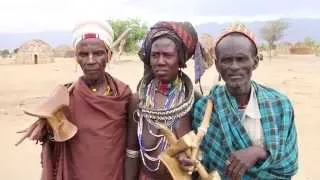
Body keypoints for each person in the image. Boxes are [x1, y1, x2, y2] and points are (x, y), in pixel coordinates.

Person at [179, 24, 298, 179]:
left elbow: (289, 165)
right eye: (227, 60)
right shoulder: (204, 108)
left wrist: (258, 152)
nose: (234, 66)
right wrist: (191, 162)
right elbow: (202, 158)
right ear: (217, 65)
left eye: (241, 59)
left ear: (255, 62)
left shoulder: (280, 105)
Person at [17, 20, 132, 180]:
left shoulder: (124, 95)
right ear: (75, 57)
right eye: (83, 54)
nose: (90, 60)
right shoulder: (64, 96)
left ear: (109, 55)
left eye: (98, 53)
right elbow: (53, 143)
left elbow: (134, 145)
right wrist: (48, 128)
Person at [125, 21, 205, 180]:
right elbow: (132, 151)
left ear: (181, 59)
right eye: (155, 55)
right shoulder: (138, 101)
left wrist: (195, 160)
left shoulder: (195, 100)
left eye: (168, 55)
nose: (160, 61)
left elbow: (202, 150)